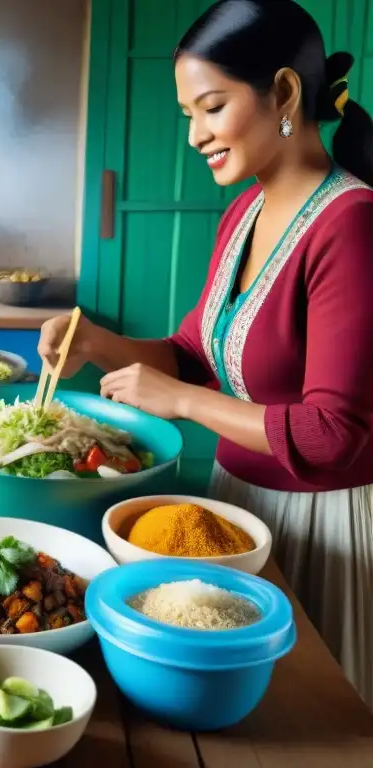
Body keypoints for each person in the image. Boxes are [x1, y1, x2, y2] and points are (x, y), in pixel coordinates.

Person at [40, 0, 373, 707]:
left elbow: (333, 433)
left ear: (282, 94)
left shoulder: (352, 225)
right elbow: (196, 353)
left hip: (324, 525)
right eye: (188, 113)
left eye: (210, 107)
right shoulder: (245, 212)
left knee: (307, 721)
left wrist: (186, 404)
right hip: (237, 515)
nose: (193, 135)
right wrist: (94, 344)